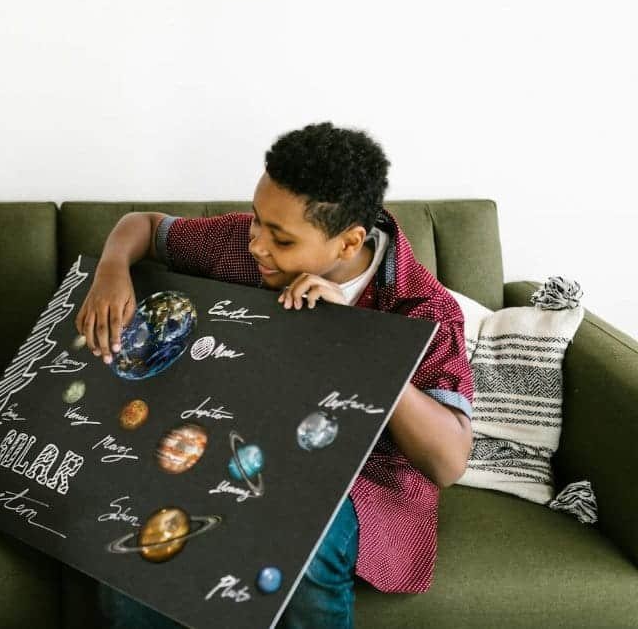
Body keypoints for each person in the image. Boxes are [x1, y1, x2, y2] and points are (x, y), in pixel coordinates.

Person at [76, 122, 474, 629]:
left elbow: (448, 461)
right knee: (133, 549)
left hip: (360, 484)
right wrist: (112, 269)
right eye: (258, 221)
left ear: (349, 243)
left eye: (281, 239)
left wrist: (359, 339)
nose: (259, 245)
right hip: (239, 447)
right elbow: (143, 225)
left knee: (301, 539)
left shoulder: (423, 308)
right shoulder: (245, 245)